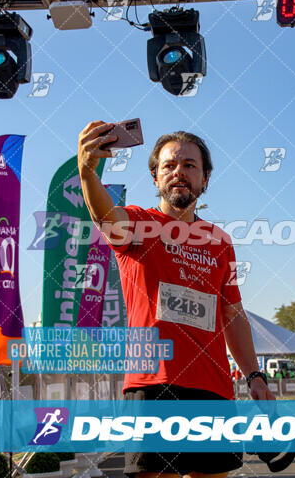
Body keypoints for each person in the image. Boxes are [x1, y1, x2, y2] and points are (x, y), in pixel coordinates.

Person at [78, 123, 275, 478]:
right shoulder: (139, 223)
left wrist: (254, 376)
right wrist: (88, 173)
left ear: (205, 179)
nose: (178, 172)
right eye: (169, 165)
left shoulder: (220, 242)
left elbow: (232, 315)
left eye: (189, 165)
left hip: (213, 389)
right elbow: (106, 217)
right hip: (154, 384)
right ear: (155, 177)